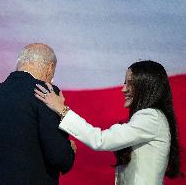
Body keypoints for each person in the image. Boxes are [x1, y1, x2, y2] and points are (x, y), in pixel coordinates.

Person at [34, 60, 180, 184]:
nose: (123, 89)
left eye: (130, 84)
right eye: (125, 83)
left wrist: (62, 109)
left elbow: (100, 140)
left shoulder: (151, 117)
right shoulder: (152, 117)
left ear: (146, 87)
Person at [0, 43, 76, 185]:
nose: (51, 81)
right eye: (52, 76)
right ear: (49, 69)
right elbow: (59, 158)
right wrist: (69, 150)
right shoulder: (45, 93)